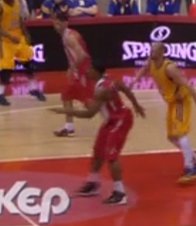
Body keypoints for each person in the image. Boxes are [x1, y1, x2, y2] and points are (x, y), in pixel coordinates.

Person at [52, 63, 146, 205]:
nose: (88, 72)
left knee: (111, 156)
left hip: (120, 120)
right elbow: (124, 88)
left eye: (90, 70)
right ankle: (93, 183)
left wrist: (64, 111)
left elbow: (89, 114)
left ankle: (120, 193)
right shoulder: (109, 80)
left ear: (97, 72)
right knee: (98, 151)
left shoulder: (102, 90)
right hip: (110, 120)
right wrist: (136, 105)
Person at [134, 41, 196, 183]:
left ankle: (190, 168)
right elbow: (144, 68)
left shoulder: (170, 68)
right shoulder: (151, 62)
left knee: (180, 133)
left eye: (155, 50)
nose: (152, 52)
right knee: (172, 137)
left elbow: (189, 86)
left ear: (162, 52)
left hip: (181, 100)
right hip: (172, 102)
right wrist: (135, 80)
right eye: (151, 49)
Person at [0, 0, 46, 106]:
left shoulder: (17, 2)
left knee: (29, 64)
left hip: (19, 37)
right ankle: (0, 94)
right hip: (4, 40)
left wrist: (26, 33)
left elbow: (20, 20)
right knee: (6, 69)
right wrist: (9, 36)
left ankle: (33, 88)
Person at [52, 12, 94, 137]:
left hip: (83, 70)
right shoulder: (67, 34)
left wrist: (73, 68)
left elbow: (82, 55)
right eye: (54, 24)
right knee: (67, 95)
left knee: (89, 101)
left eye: (58, 24)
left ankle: (113, 116)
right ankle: (69, 126)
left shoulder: (69, 37)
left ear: (65, 23)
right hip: (80, 69)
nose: (56, 26)